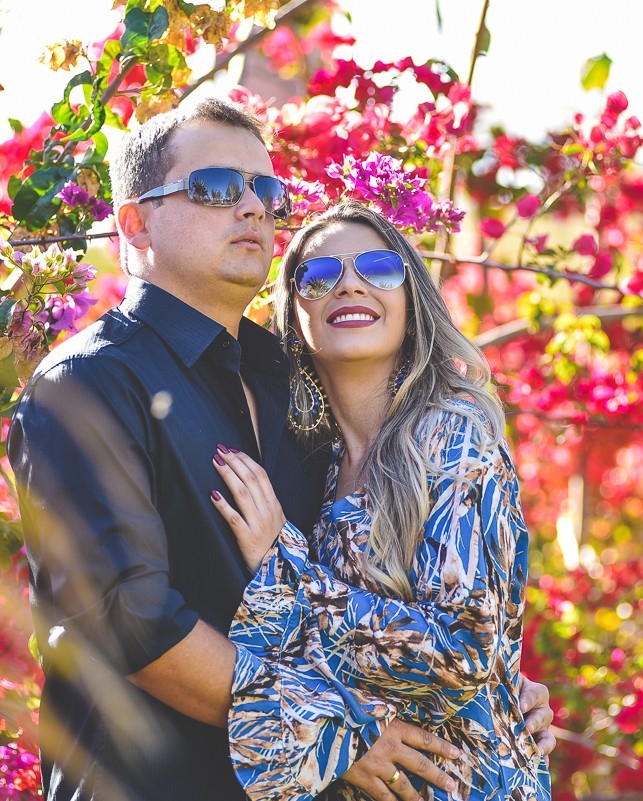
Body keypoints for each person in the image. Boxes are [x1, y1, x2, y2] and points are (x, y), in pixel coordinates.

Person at [8, 99, 553, 801]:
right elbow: (134, 623)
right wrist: (333, 734)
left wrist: (496, 679)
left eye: (267, 191)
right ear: (135, 223)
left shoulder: (294, 383)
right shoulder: (85, 385)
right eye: (214, 187)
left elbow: (392, 589)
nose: (252, 207)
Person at [210, 201, 552, 801]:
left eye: (378, 267)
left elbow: (459, 655)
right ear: (295, 315)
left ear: (412, 299)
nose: (348, 284)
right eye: (317, 276)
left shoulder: (452, 435)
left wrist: (282, 566)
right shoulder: (312, 468)